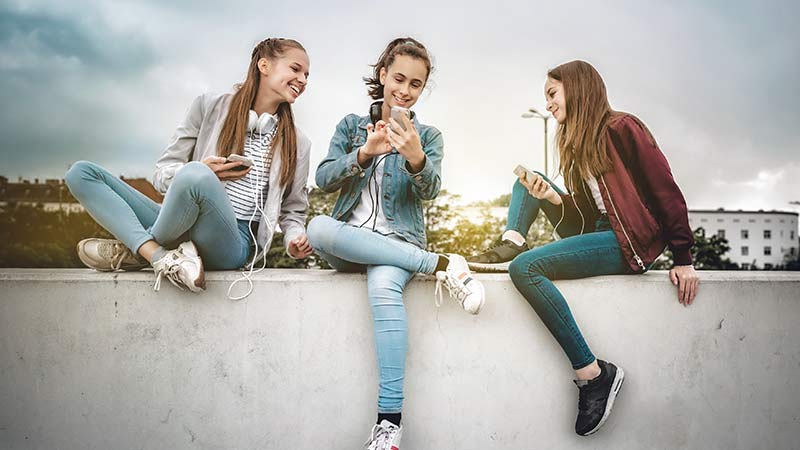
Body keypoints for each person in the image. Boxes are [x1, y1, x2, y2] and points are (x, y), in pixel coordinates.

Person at [468, 60, 699, 436]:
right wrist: (555, 201)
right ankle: (510, 241)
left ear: (576, 89)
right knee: (533, 182)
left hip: (628, 243)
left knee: (525, 269)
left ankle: (593, 375)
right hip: (600, 233)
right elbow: (584, 219)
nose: (548, 105)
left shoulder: (623, 128)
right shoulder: (576, 145)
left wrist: (684, 258)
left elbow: (664, 189)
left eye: (552, 94)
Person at [305, 37, 485, 450]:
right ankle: (437, 264)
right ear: (382, 75)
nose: (404, 90)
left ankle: (389, 426)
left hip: (397, 243)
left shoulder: (431, 135)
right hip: (349, 242)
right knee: (317, 228)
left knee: (385, 289)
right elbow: (324, 178)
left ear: (423, 89)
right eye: (398, 78)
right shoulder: (352, 126)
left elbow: (431, 191)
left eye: (415, 84)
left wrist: (417, 159)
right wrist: (364, 153)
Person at [65, 38, 313, 294]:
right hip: (178, 223)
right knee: (82, 173)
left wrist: (294, 239)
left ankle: (137, 251)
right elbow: (162, 175)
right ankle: (159, 255)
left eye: (307, 74)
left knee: (196, 174)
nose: (303, 79)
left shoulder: (299, 143)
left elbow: (293, 211)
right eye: (296, 69)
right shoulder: (208, 106)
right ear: (264, 65)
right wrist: (203, 172)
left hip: (232, 242)